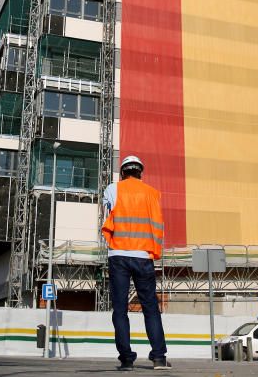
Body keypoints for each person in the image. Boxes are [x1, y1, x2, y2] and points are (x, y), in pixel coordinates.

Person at [102, 154, 171, 371]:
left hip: (119, 255)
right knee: (150, 307)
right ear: (140, 172)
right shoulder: (152, 194)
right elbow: (158, 226)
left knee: (120, 309)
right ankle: (159, 358)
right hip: (143, 256)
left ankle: (126, 360)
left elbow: (105, 217)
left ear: (123, 172)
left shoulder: (113, 189)